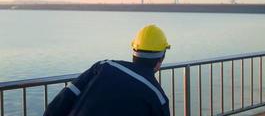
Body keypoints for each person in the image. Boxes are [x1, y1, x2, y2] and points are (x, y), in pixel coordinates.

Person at [43, 24, 171, 116]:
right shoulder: (157, 98)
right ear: (161, 58)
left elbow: (60, 102)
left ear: (134, 51)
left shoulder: (104, 66)